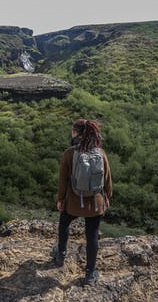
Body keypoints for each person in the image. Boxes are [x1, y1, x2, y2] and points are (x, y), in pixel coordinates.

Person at [54, 118, 113, 285]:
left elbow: (63, 181)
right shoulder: (100, 153)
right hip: (95, 202)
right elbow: (108, 179)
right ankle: (89, 274)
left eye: (73, 131)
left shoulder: (69, 153)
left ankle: (61, 255)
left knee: (64, 222)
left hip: (74, 202)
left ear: (77, 133)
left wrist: (60, 200)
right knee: (92, 236)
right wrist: (107, 197)